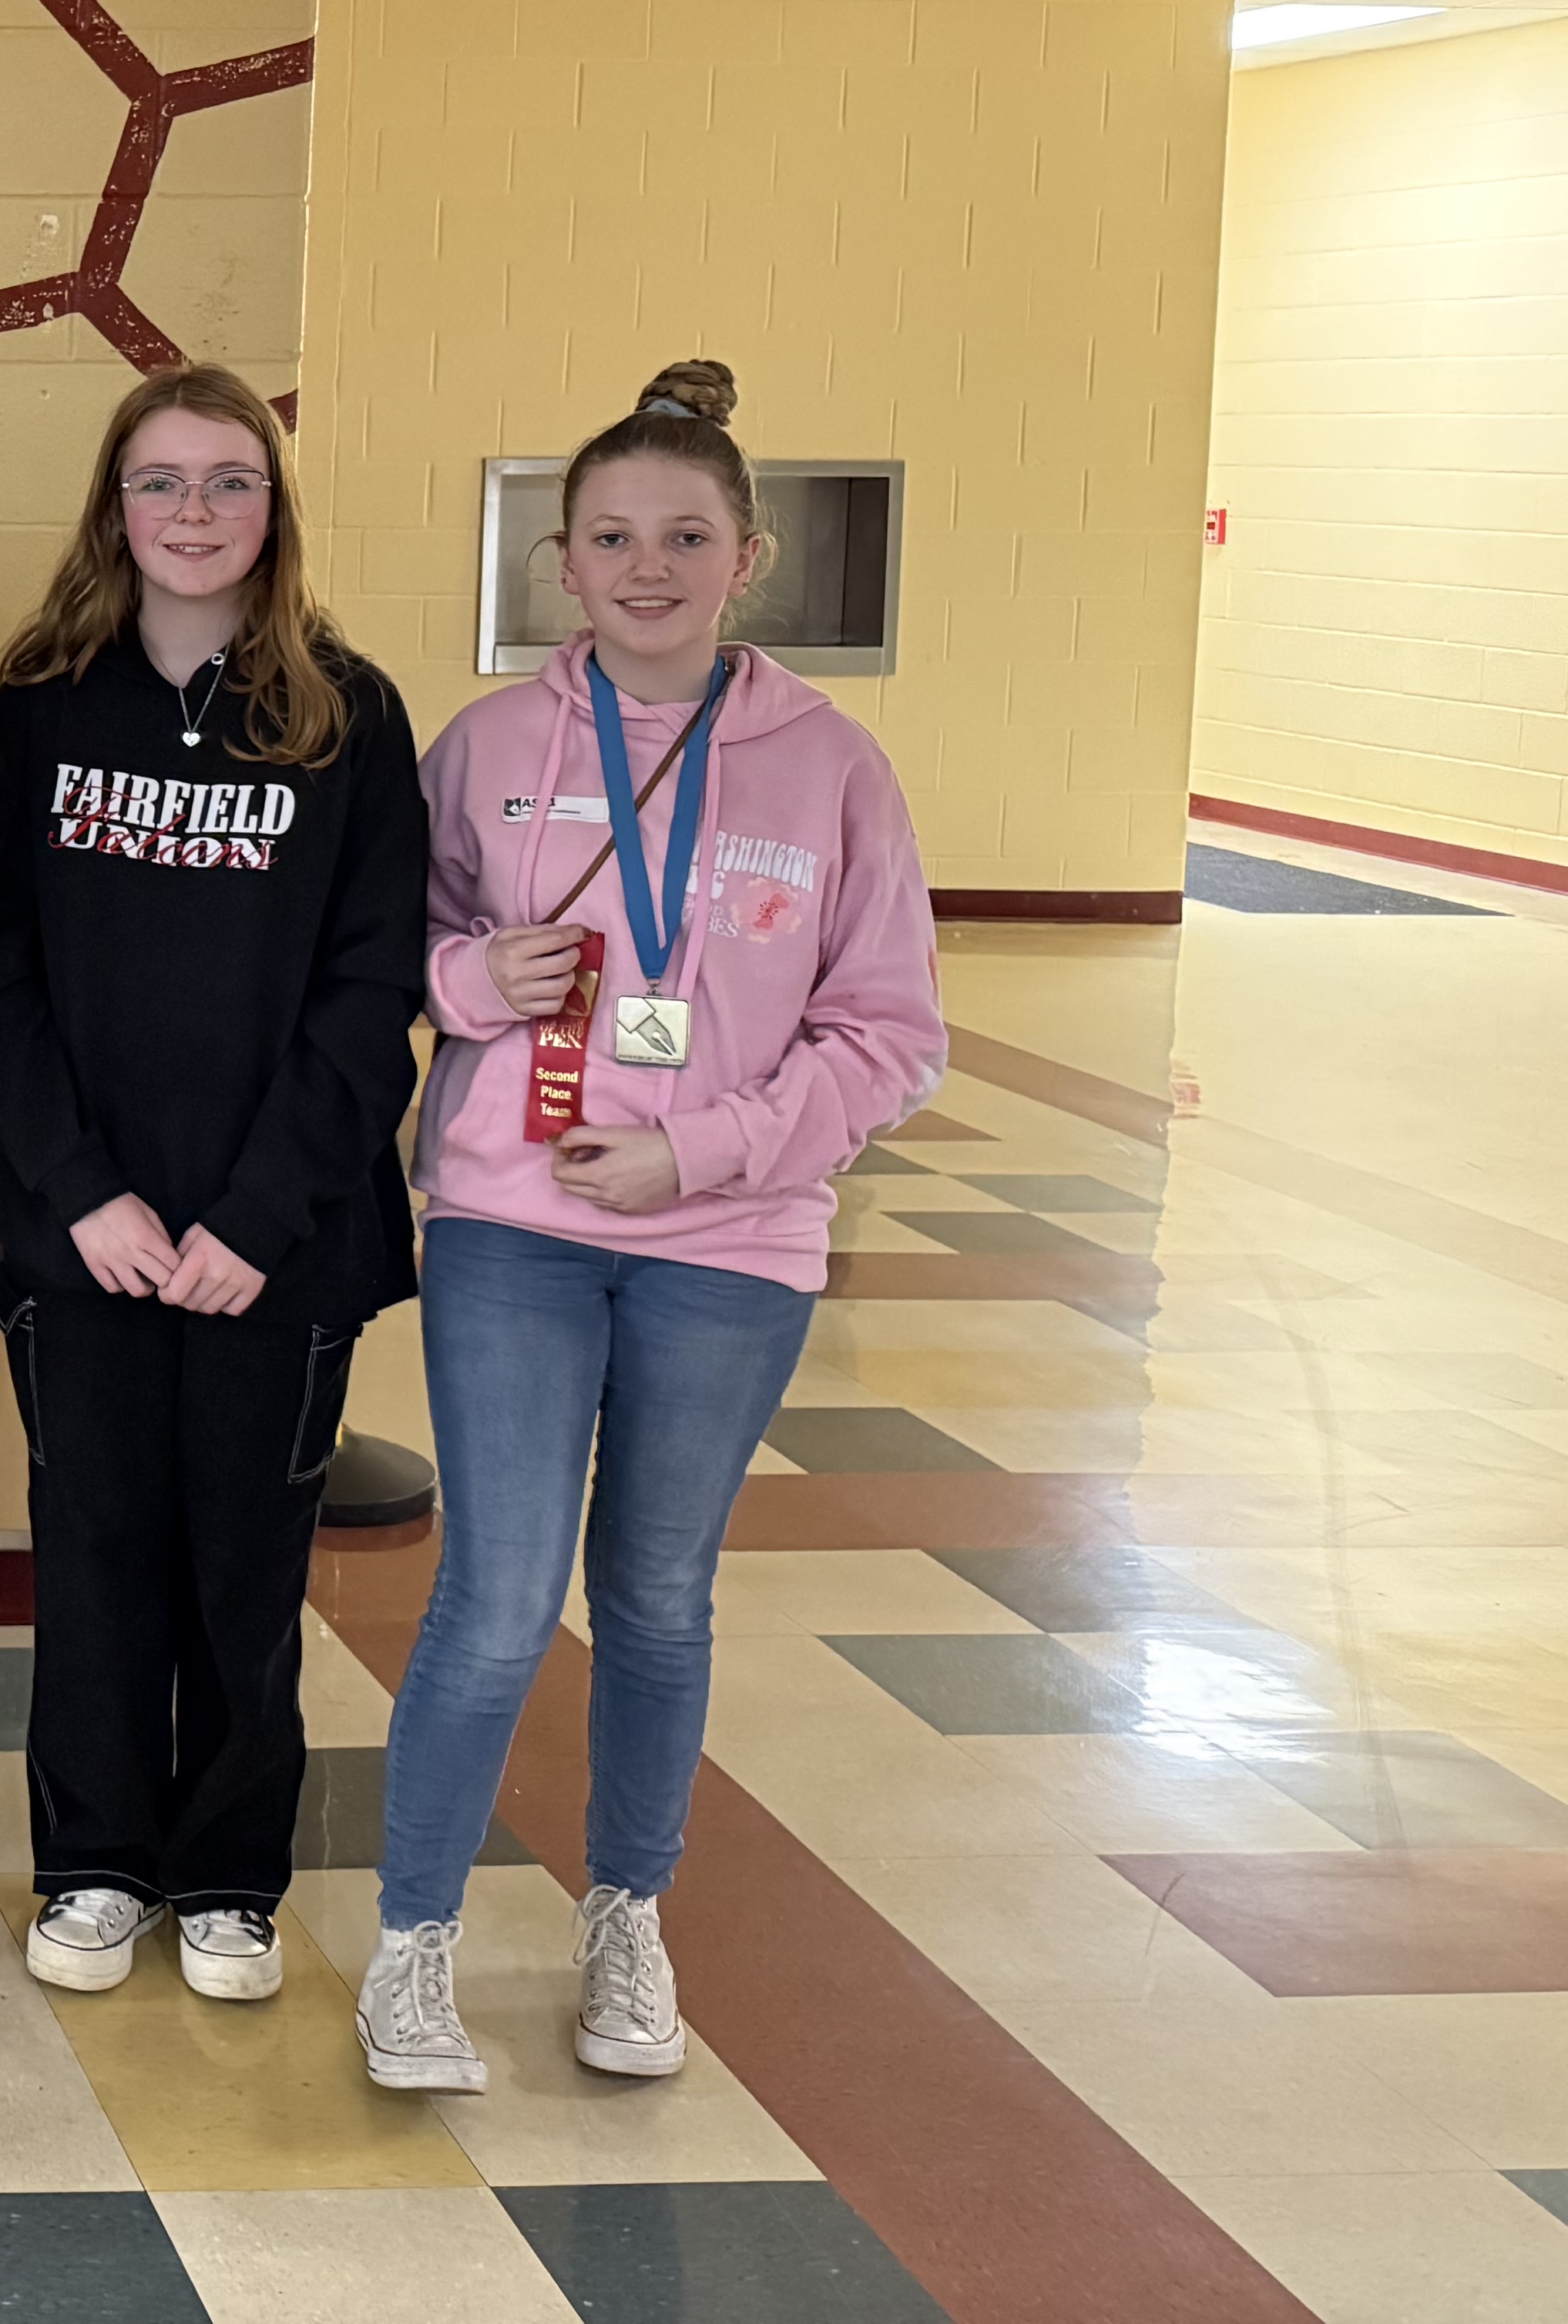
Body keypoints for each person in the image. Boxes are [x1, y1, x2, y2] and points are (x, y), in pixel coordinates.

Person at [358, 361, 943, 2094]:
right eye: (611, 534)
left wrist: (699, 1154)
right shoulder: (491, 748)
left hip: (730, 1242)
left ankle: (628, 1915)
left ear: (746, 556)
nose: (649, 565)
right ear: (562, 559)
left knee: (661, 1595)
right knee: (496, 1592)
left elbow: (892, 1038)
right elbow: (402, 947)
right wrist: (475, 975)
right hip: (513, 1227)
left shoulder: (834, 770)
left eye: (688, 535)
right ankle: (415, 1944)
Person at [0, 366, 424, 2007]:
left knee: (243, 1571)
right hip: (87, 1234)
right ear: (113, 509)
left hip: (272, 1246)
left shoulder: (347, 714)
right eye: (162, 483)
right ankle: (92, 1864)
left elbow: (374, 995)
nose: (196, 514)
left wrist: (256, 1217)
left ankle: (225, 1876)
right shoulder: (41, 706)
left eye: (229, 483)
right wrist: (81, 1190)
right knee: (93, 1553)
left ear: (273, 511)